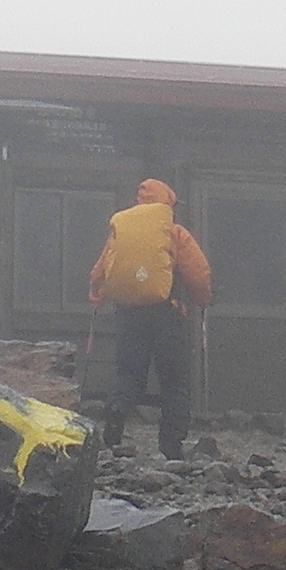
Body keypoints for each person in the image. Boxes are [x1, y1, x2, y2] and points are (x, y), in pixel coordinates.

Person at [87, 177, 213, 457]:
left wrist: (96, 296)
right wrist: (202, 300)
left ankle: (116, 416)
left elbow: (100, 271)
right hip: (167, 314)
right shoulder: (174, 232)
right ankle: (171, 447)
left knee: (128, 373)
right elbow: (198, 273)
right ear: (167, 203)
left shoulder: (122, 232)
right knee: (174, 381)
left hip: (128, 314)